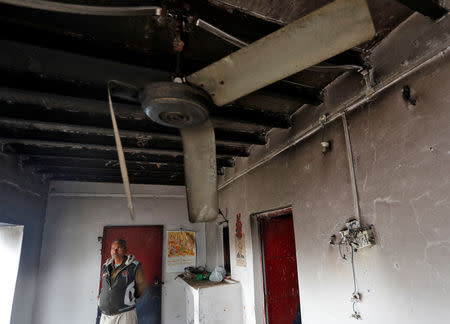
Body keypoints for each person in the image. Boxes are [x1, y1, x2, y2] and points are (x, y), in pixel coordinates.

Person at [98, 239, 148, 324]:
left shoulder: (134, 266)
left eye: (118, 248)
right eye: (113, 248)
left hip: (125, 314)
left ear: (125, 250)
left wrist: (130, 298)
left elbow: (142, 286)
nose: (115, 251)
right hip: (106, 314)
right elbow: (104, 285)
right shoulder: (105, 266)